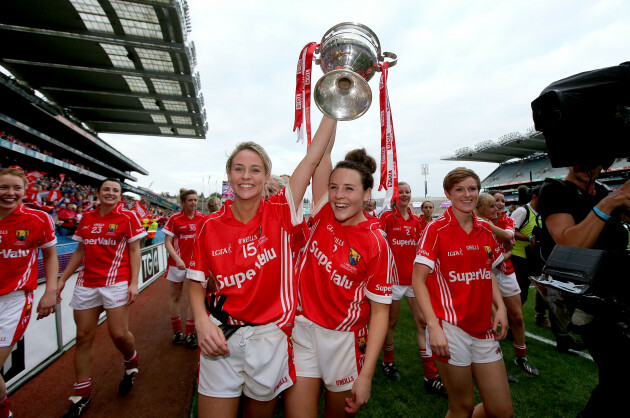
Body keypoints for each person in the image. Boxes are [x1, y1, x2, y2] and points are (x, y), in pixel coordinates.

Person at [186, 115, 337, 418]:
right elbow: (195, 282)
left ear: (266, 176)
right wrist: (201, 322)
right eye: (239, 169)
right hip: (220, 337)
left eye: (255, 170)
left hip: (269, 338)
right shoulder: (208, 225)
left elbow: (311, 159)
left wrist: (335, 102)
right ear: (228, 174)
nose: (246, 176)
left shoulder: (281, 211)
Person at [284, 144, 393, 417]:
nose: (338, 196)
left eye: (349, 188)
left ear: (367, 194)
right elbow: (322, 153)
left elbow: (380, 312)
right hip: (303, 330)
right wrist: (332, 108)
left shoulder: (376, 244)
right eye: (333, 187)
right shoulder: (323, 213)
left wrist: (366, 375)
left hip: (343, 341)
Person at [412, 168, 512, 418]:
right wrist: (433, 327)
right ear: (448, 193)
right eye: (460, 190)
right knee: (462, 407)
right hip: (450, 329)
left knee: (501, 411)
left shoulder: (485, 229)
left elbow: (487, 271)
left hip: (484, 328)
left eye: (472, 189)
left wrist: (500, 307)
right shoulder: (436, 229)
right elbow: (418, 279)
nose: (467, 195)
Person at [537, 164, 630, 417]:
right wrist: (609, 204)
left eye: (594, 157)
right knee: (620, 375)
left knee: (618, 378)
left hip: (617, 293)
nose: (586, 163)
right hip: (584, 301)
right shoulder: (554, 189)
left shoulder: (601, 189)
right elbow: (570, 244)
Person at [57, 178, 147, 417]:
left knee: (118, 333)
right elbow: (80, 251)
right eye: (106, 189)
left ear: (120, 195)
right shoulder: (86, 217)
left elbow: (135, 250)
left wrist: (134, 282)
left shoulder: (128, 217)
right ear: (98, 192)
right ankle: (81, 394)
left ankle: (131, 359)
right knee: (83, 337)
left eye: (115, 190)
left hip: (116, 283)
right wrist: (62, 278)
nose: (110, 193)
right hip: (87, 284)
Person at [0, 168, 58, 418]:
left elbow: (51, 255)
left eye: (16, 188)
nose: (10, 193)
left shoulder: (38, 219)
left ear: (25, 191)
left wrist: (51, 291)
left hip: (14, 300)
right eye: (4, 187)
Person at [378, 182, 446, 396]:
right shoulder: (387, 218)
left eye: (408, 192)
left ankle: (430, 374)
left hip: (414, 281)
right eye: (402, 192)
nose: (405, 195)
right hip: (393, 280)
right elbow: (378, 246)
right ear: (395, 196)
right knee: (391, 322)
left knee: (424, 323)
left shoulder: (418, 221)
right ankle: (387, 362)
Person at [476, 193, 539, 377]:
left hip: (505, 271)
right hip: (484, 273)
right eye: (494, 203)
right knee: (489, 320)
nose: (499, 206)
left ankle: (521, 356)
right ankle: (494, 360)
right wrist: (504, 254)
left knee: (517, 317)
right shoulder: (474, 223)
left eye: (502, 202)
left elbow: (509, 237)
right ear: (482, 207)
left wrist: (490, 227)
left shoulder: (507, 220)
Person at [163, 189, 205, 348]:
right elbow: (167, 242)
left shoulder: (202, 218)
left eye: (195, 200)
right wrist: (177, 259)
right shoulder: (174, 219)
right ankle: (177, 332)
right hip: (177, 264)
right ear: (183, 202)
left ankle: (189, 333)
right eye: (190, 200)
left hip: (195, 264)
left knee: (194, 298)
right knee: (175, 296)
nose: (193, 203)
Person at [510, 185, 550, 328]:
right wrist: (529, 239)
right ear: (534, 197)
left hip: (533, 258)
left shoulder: (542, 213)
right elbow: (509, 232)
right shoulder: (522, 211)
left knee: (526, 293)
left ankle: (516, 322)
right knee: (519, 293)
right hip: (517, 257)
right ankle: (512, 325)